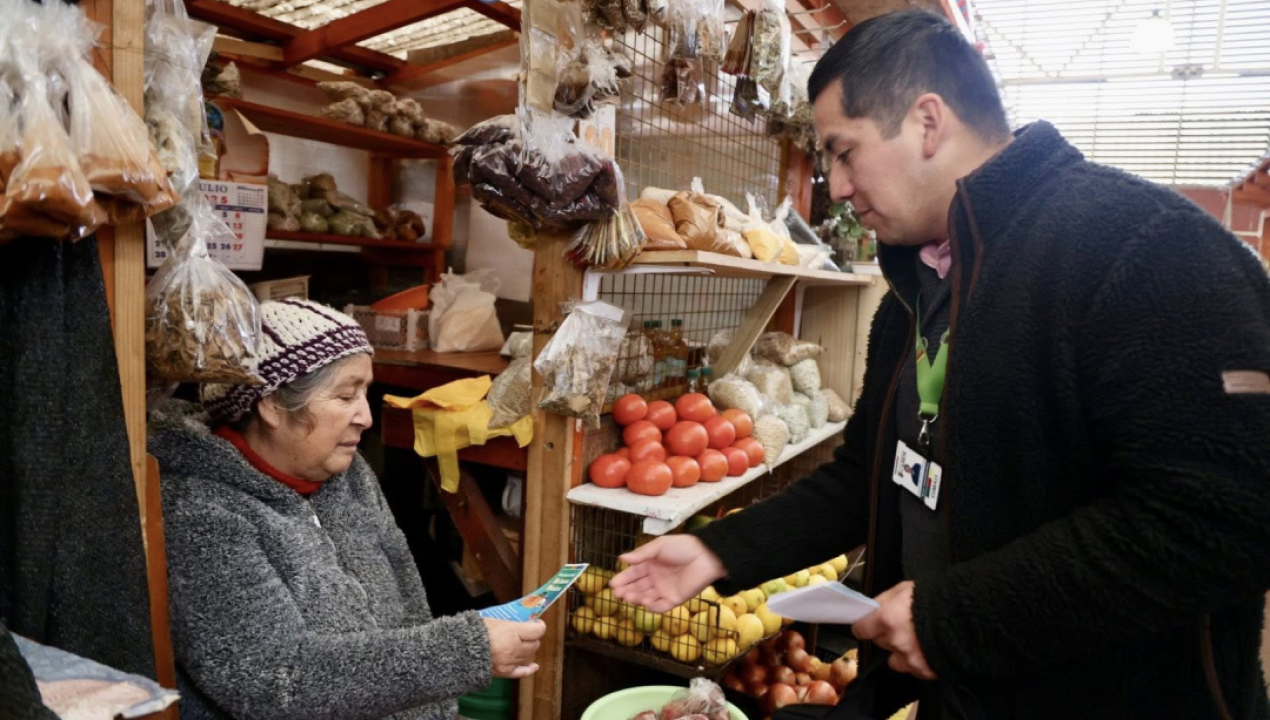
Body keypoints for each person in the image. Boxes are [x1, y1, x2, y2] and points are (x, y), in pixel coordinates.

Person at [612, 9, 1270, 720]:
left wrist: (956, 616)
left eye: (843, 151)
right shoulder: (914, 293)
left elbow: (1225, 515)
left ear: (927, 122)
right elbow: (867, 474)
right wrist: (717, 553)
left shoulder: (1147, 249)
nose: (832, 186)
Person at [150, 299, 545, 720]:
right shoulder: (204, 514)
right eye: (344, 395)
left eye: (365, 393)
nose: (366, 417)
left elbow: (407, 605)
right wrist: (466, 651)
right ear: (271, 405)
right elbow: (277, 679)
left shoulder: (346, 474)